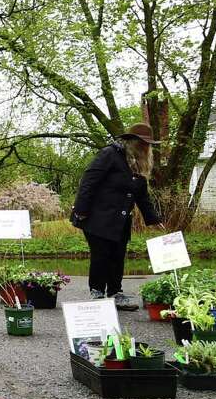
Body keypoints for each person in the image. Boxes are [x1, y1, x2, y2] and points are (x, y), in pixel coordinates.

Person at [70, 123, 165, 310]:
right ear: (132, 141)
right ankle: (97, 292)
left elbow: (142, 195)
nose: (147, 147)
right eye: (143, 143)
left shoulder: (138, 163)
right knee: (101, 255)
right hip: (97, 217)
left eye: (148, 144)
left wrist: (153, 219)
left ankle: (115, 294)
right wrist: (81, 210)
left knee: (118, 256)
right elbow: (89, 181)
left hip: (120, 221)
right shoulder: (110, 154)